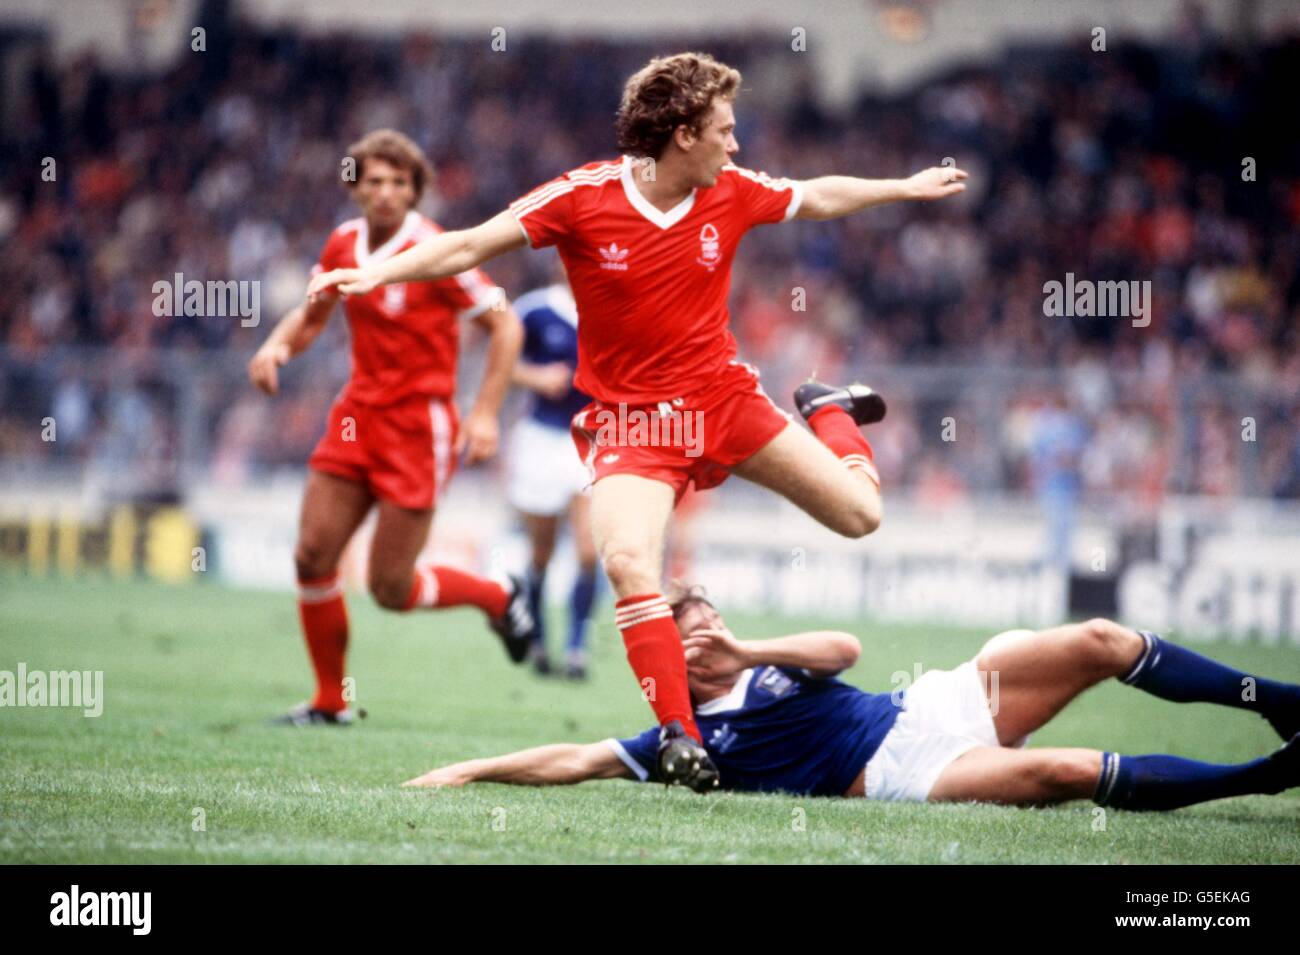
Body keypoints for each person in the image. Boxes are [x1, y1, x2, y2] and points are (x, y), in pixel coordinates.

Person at [308, 53, 968, 784]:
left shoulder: (734, 191)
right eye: (725, 129)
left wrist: (905, 187)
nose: (736, 144)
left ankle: (833, 413)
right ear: (683, 135)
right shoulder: (582, 196)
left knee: (860, 516)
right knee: (627, 562)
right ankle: (680, 735)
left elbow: (814, 196)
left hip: (723, 402)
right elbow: (468, 243)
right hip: (633, 425)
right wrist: (377, 272)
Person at [404, 586, 1300, 811]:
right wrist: (472, 768)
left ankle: (1281, 698)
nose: (711, 621)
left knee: (1104, 639)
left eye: (711, 609)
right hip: (906, 769)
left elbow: (848, 649)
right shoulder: (685, 737)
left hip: (935, 704)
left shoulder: (764, 659)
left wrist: (745, 642)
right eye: (695, 620)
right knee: (1065, 770)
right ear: (667, 650)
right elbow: (575, 758)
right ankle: (1263, 779)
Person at [248, 129, 535, 726]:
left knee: (389, 587)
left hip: (418, 429)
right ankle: (330, 702)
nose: (385, 193)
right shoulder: (342, 244)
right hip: (355, 418)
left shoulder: (434, 251)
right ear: (354, 188)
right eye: (373, 180)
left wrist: (483, 412)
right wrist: (277, 347)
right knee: (311, 555)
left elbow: (505, 326)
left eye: (399, 182)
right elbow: (314, 314)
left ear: (416, 191)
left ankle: (496, 598)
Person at [506, 270, 599, 679]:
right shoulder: (535, 310)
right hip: (542, 441)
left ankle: (577, 646)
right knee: (541, 553)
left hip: (593, 440)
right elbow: (501, 361)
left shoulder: (613, 306)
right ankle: (540, 637)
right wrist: (536, 376)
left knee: (589, 550)